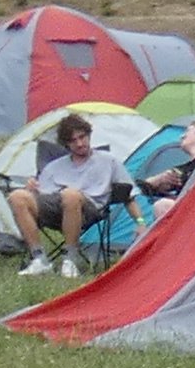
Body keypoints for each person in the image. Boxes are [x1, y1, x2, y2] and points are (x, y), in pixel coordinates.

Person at [20, 112, 123, 275]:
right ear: (66, 144)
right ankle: (39, 259)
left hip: (90, 210)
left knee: (70, 195)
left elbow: (129, 192)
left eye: (82, 137)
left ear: (89, 135)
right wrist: (31, 189)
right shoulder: (54, 167)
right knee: (18, 197)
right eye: (73, 141)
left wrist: (140, 223)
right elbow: (43, 192)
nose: (80, 143)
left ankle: (71, 259)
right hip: (57, 208)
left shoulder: (108, 160)